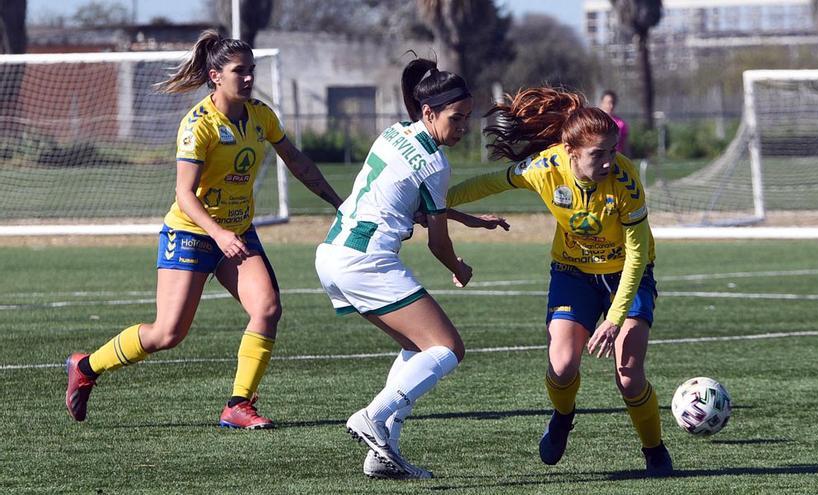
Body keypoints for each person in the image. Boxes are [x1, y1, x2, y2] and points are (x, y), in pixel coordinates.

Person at [64, 30, 343, 430]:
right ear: (215, 76)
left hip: (238, 233)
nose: (248, 78)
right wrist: (218, 234)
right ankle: (86, 366)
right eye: (238, 71)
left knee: (267, 309)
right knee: (167, 333)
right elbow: (184, 194)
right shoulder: (199, 125)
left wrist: (339, 203)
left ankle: (238, 404)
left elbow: (297, 161)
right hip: (192, 234)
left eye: (252, 70)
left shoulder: (261, 115)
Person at [447, 87, 673, 477]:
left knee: (629, 376)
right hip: (572, 272)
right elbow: (488, 184)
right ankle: (562, 418)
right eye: (597, 154)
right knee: (563, 364)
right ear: (570, 152)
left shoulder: (625, 179)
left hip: (627, 275)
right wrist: (433, 202)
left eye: (612, 150)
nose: (608, 162)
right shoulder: (544, 168)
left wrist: (615, 318)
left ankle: (654, 450)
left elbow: (637, 254)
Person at [315, 58, 508, 480]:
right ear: (429, 112)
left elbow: (414, 205)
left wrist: (472, 219)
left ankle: (384, 449)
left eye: (466, 119)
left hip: (333, 254)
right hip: (366, 261)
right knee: (448, 349)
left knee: (418, 348)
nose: (462, 128)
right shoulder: (436, 164)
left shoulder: (393, 134)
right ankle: (373, 416)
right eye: (455, 119)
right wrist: (459, 267)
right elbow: (437, 242)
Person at [599, 90, 629, 156]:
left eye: (613, 103)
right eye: (608, 102)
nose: (611, 106)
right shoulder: (595, 121)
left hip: (616, 157)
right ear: (602, 103)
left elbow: (625, 145)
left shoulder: (621, 124)